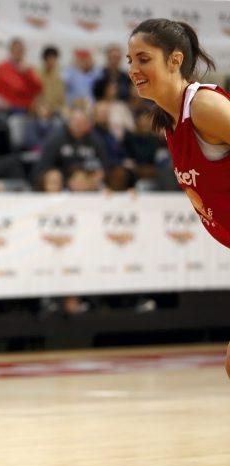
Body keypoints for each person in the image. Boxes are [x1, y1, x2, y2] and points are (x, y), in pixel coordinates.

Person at [126, 18, 230, 377]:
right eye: (129, 61)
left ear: (174, 59)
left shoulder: (204, 107)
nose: (133, 69)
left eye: (143, 59)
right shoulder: (171, 121)